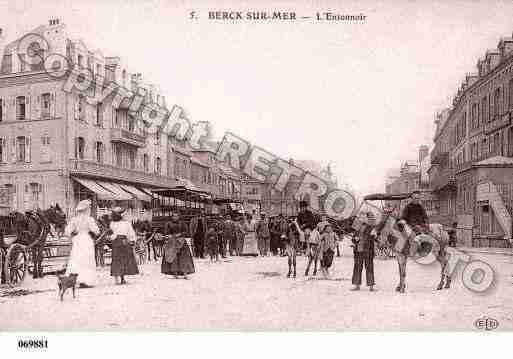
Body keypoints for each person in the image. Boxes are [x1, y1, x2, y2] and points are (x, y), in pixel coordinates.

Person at [64, 199, 99, 288]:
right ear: (87, 209)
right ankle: (86, 280)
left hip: (78, 240)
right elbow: (96, 230)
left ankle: (75, 279)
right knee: (87, 260)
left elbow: (67, 231)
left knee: (76, 259)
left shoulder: (74, 219)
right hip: (86, 240)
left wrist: (73, 235)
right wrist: (95, 232)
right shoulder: (89, 219)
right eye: (89, 208)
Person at [109, 207, 139, 285]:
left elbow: (131, 232)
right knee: (118, 260)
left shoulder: (125, 223)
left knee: (121, 260)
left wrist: (132, 240)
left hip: (122, 242)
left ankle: (121, 278)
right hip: (119, 242)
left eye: (117, 214)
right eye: (115, 214)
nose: (116, 215)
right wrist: (112, 237)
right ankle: (118, 277)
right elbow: (111, 233)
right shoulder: (113, 223)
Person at [351, 212, 377, 291]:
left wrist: (374, 235)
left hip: (368, 250)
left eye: (363, 217)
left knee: (369, 267)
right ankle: (357, 285)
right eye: (360, 218)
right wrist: (355, 239)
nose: (362, 219)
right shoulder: (357, 228)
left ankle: (371, 286)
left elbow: (374, 239)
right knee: (357, 267)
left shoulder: (372, 228)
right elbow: (353, 238)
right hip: (358, 250)